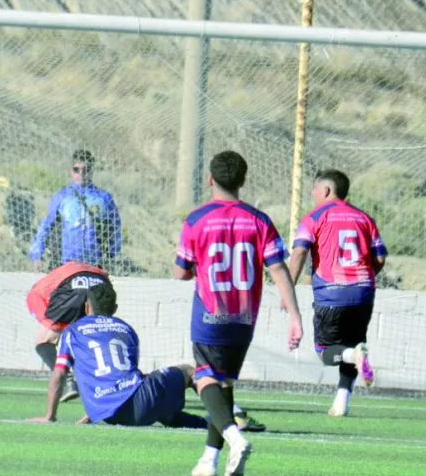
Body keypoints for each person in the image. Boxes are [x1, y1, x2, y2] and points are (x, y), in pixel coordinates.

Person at [174, 150, 303, 476]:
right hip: (244, 318)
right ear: (243, 181)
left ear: (210, 180)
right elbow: (279, 271)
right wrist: (295, 316)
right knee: (225, 385)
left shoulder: (196, 220)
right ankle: (208, 459)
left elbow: (181, 272)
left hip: (210, 315)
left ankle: (234, 438)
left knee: (203, 377)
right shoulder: (259, 220)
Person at [28, 281, 208, 431]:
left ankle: (206, 424)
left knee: (162, 410)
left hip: (110, 415)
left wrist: (50, 416)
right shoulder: (126, 329)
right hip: (137, 402)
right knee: (189, 371)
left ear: (87, 307)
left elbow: (59, 373)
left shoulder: (72, 331)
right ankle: (224, 413)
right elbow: (130, 377)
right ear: (115, 308)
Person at [287, 169, 386, 417]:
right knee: (354, 343)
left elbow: (299, 252)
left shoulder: (314, 217)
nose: (312, 193)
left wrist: (287, 287)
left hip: (331, 295)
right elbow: (380, 257)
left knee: (326, 351)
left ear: (327, 191)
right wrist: (363, 276)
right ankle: (342, 403)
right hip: (364, 292)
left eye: (315, 188)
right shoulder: (364, 218)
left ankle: (353, 355)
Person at [26, 261, 111, 403]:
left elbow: (50, 326)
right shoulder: (88, 268)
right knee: (96, 340)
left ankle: (67, 381)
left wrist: (58, 332)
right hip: (102, 284)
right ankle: (113, 385)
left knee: (44, 340)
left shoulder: (35, 294)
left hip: (72, 286)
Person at [29, 149, 121, 272]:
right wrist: (37, 255)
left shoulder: (103, 197)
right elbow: (46, 225)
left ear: (92, 170)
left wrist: (113, 254)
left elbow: (115, 225)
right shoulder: (62, 196)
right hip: (66, 261)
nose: (81, 173)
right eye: (77, 169)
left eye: (86, 169)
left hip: (96, 262)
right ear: (71, 171)